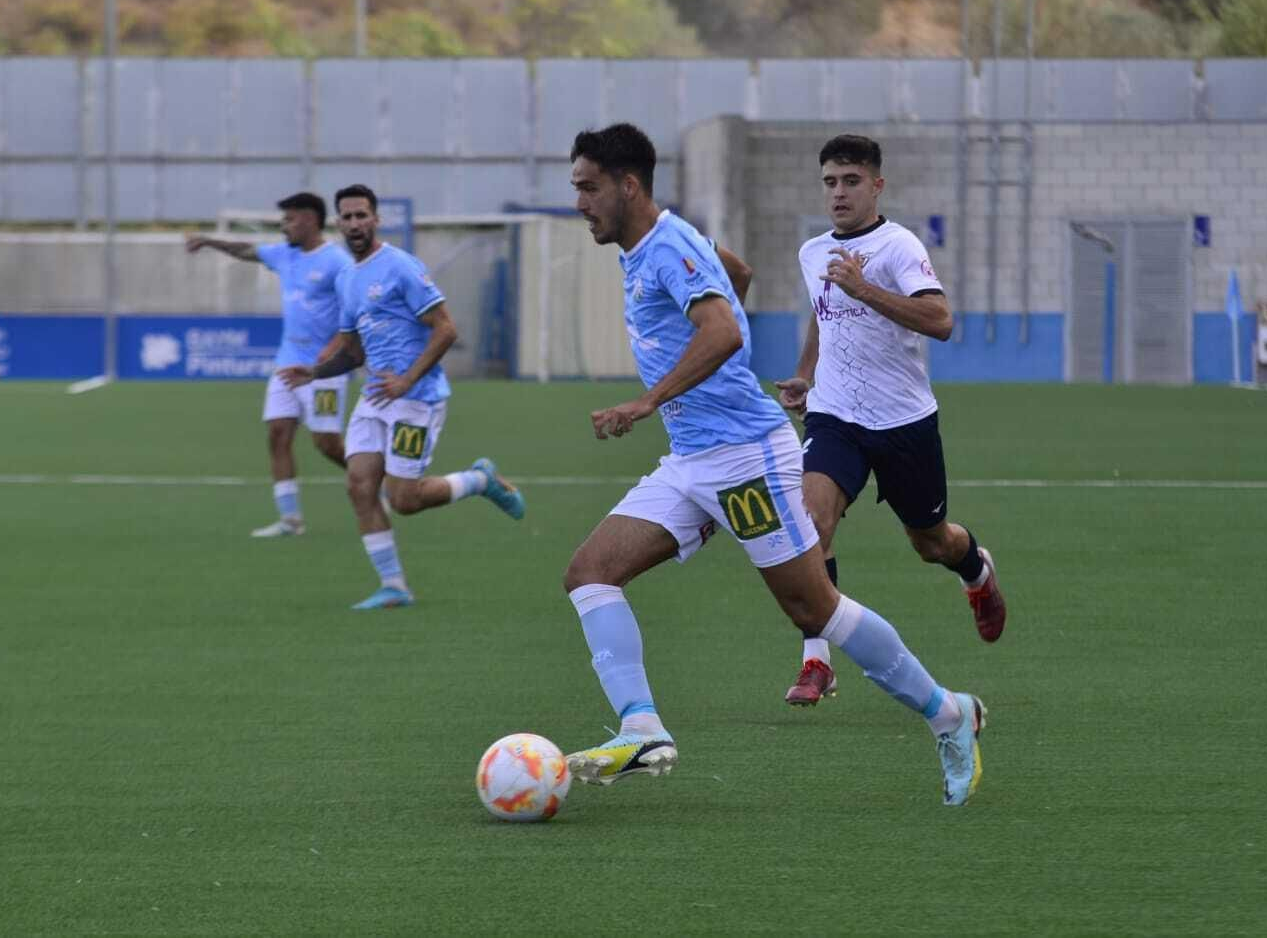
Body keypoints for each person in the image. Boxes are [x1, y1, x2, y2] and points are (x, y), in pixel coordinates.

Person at [561, 123, 987, 807]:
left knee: (813, 606)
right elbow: (738, 278)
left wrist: (648, 400)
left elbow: (725, 330)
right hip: (691, 461)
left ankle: (949, 713)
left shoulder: (666, 245)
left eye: (587, 187)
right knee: (589, 572)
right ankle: (641, 729)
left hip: (744, 460)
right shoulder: (659, 243)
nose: (579, 202)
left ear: (627, 185)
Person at [776, 134, 1007, 707]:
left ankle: (976, 572)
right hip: (835, 416)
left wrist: (864, 287)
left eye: (851, 181)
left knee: (931, 542)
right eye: (830, 181)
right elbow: (822, 315)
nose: (838, 192)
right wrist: (807, 374)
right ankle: (817, 661)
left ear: (877, 186)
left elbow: (940, 320)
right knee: (810, 524)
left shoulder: (899, 247)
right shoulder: (813, 252)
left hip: (903, 422)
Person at [277, 184, 526, 610]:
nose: (354, 223)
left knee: (405, 501)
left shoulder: (401, 267)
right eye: (348, 217)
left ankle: (480, 480)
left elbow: (446, 328)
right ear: (339, 222)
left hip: (417, 399)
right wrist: (316, 372)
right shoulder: (347, 279)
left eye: (362, 215)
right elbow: (354, 352)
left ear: (376, 220)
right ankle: (394, 586)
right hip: (375, 399)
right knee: (358, 485)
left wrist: (408, 380)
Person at [186, 192, 351, 538]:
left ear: (309, 219)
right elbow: (246, 250)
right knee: (277, 434)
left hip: (324, 371)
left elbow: (358, 311)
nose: (283, 225)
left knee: (326, 443)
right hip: (286, 362)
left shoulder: (338, 261)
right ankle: (291, 519)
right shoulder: (284, 255)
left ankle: (374, 479)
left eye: (289, 219)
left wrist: (335, 347)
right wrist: (208, 241)